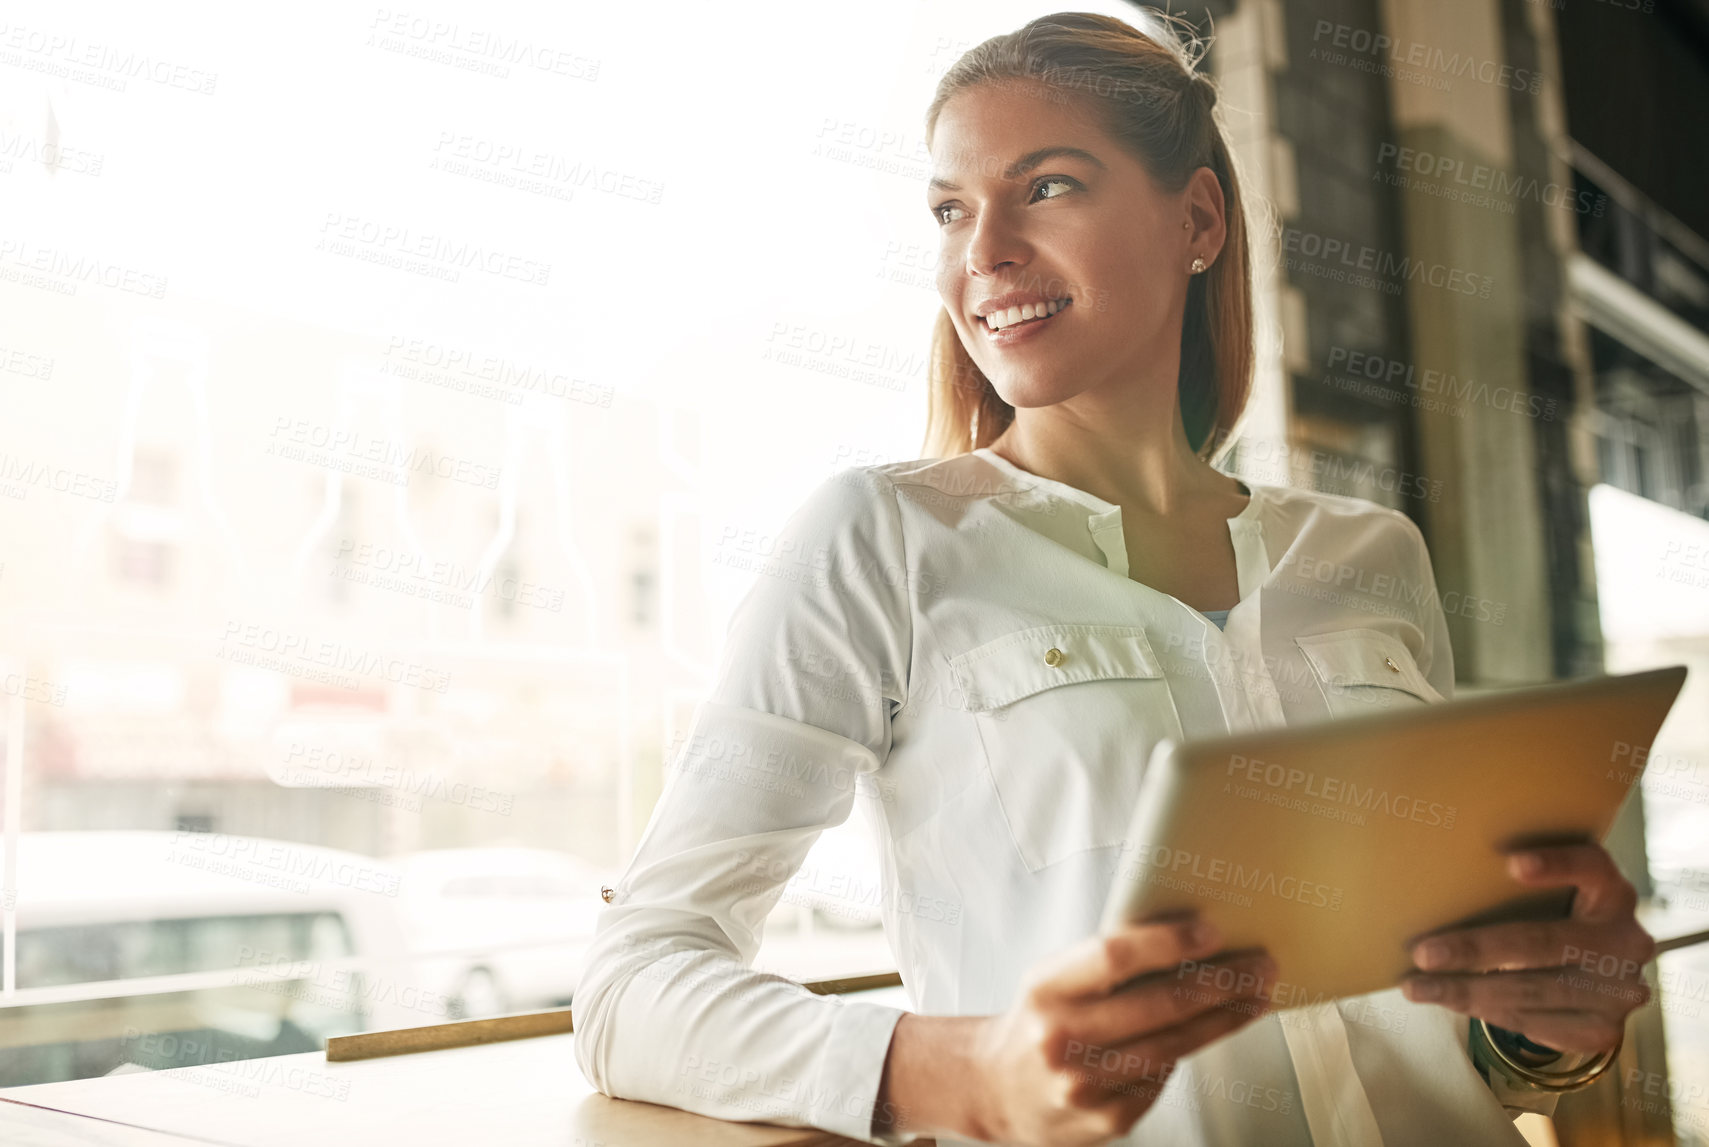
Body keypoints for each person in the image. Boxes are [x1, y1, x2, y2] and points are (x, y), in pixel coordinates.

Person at [571, 12, 1656, 1146]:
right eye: (950, 209)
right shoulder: (881, 538)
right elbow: (631, 986)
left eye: (1044, 188)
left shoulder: (1371, 554)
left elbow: (1450, 1029)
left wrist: (1547, 1027)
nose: (981, 249)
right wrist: (965, 1072)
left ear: (1196, 218)